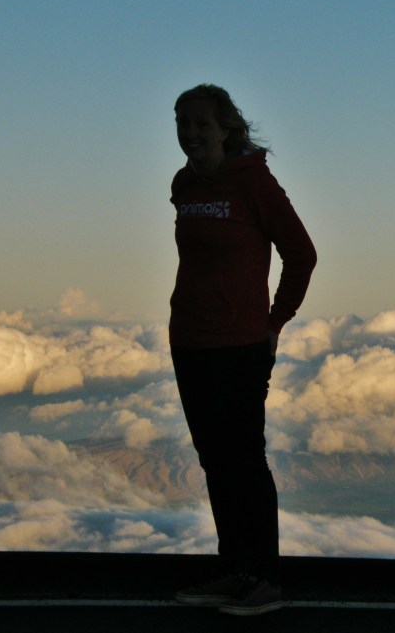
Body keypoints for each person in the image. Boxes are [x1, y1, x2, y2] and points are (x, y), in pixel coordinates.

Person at [168, 84, 316, 616]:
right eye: (182, 122)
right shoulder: (184, 185)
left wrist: (276, 322)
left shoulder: (254, 182)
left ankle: (264, 578)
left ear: (226, 129)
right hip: (189, 341)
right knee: (214, 462)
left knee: (244, 461)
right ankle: (234, 568)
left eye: (201, 124)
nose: (190, 133)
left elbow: (301, 253)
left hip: (240, 345)